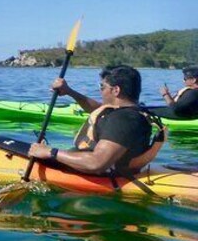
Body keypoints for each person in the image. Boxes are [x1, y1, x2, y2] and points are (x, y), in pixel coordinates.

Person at [27, 65, 161, 175]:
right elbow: (98, 110)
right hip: (110, 172)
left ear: (116, 90)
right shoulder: (130, 112)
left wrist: (50, 152)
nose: (100, 92)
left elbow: (96, 163)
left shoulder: (124, 120)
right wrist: (69, 92)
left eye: (102, 87)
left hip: (103, 180)